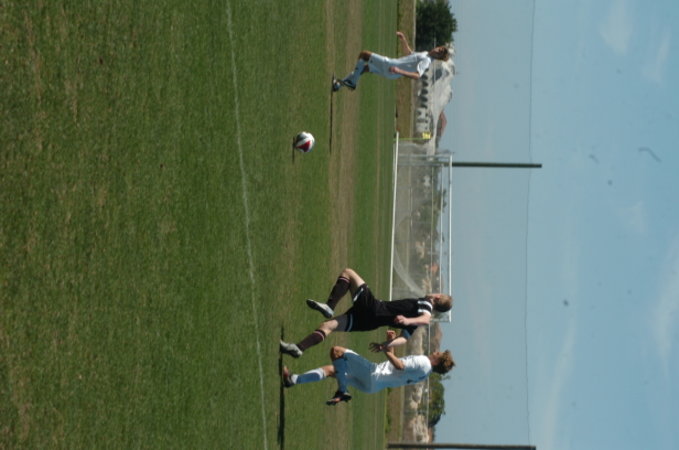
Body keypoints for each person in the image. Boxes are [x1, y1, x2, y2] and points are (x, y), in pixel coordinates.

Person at [279, 267, 453, 358]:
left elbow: (426, 319)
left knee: (348, 273)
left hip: (373, 308)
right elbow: (405, 338)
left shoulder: (426, 305)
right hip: (369, 322)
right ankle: (299, 348)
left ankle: (330, 306)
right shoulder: (419, 314)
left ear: (437, 298)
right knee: (328, 326)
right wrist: (386, 345)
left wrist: (407, 321)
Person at [282, 330, 455, 405]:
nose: (436, 351)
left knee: (336, 351)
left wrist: (384, 349)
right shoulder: (425, 373)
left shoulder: (424, 362)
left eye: (439, 354)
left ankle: (342, 390)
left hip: (374, 374)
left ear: (438, 361)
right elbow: (395, 368)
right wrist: (390, 344)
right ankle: (292, 380)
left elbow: (399, 365)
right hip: (373, 386)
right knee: (331, 370)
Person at [332, 31, 450, 92]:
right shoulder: (425, 54)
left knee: (364, 55)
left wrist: (399, 71)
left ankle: (352, 83)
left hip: (391, 66)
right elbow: (409, 54)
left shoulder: (427, 60)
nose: (437, 51)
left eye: (439, 53)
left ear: (438, 58)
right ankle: (339, 85)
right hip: (392, 71)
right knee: (364, 68)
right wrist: (403, 39)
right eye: (439, 49)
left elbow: (417, 76)